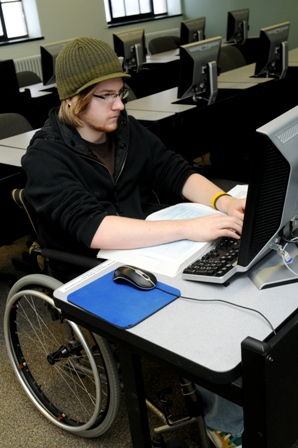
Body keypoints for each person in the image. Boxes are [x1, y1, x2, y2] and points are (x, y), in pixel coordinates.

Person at [21, 37, 245, 448]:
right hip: (87, 266)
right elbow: (95, 229)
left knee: (226, 280)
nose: (119, 105)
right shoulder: (45, 157)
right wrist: (188, 228)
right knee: (203, 310)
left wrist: (223, 200)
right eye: (105, 97)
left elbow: (172, 169)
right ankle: (226, 422)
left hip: (145, 246)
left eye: (119, 93)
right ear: (73, 102)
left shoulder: (124, 130)